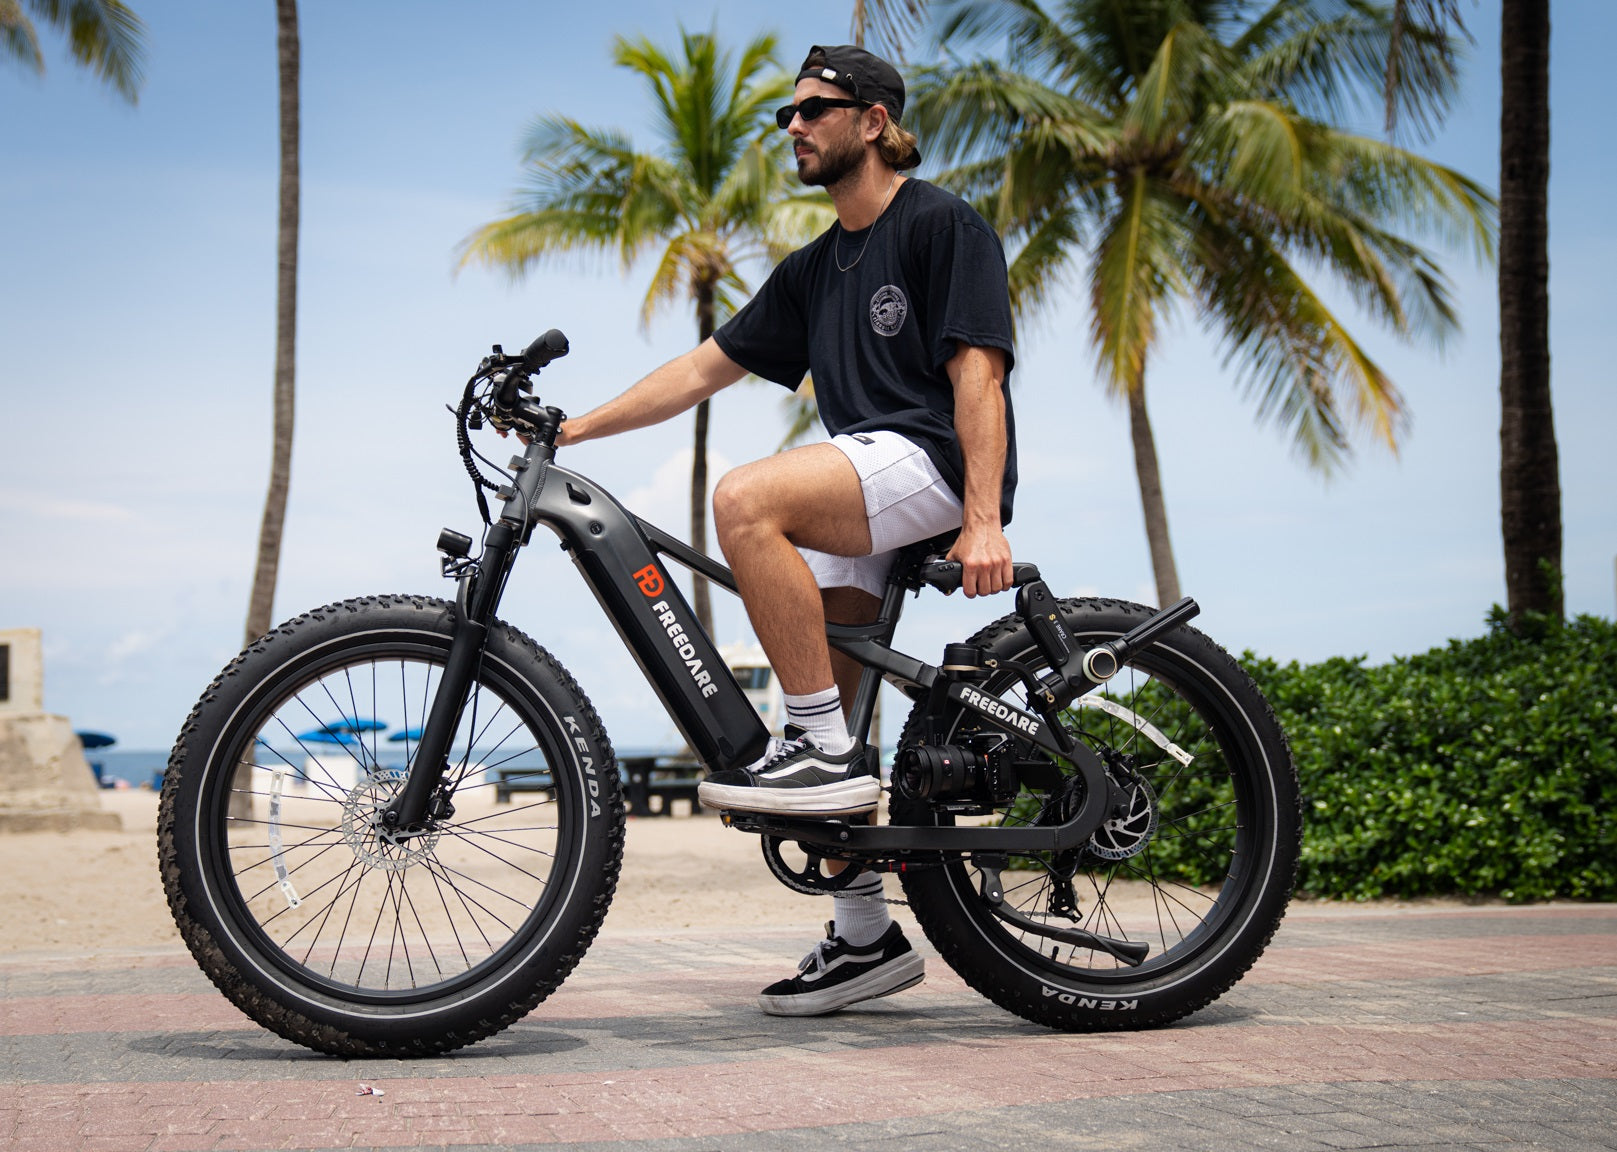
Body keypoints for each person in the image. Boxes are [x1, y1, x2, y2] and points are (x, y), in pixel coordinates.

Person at [555, 44, 1018, 1016]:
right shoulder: (814, 270)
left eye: (814, 109)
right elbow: (698, 372)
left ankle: (818, 745)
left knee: (746, 499)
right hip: (866, 489)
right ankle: (865, 937)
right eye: (787, 116)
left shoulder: (942, 224)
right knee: (831, 734)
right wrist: (576, 427)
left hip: (928, 464)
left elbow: (979, 375)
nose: (794, 127)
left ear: (875, 122)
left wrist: (982, 522)